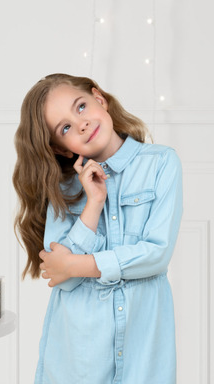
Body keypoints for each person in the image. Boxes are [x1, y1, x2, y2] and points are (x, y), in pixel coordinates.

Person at [13, 73, 183, 384]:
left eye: (80, 107)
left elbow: (157, 254)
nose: (80, 124)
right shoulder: (64, 188)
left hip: (144, 354)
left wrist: (78, 264)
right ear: (62, 149)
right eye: (64, 128)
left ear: (99, 99)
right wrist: (93, 205)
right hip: (79, 359)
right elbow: (61, 278)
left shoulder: (161, 164)